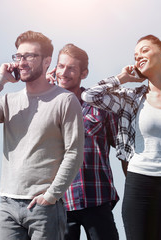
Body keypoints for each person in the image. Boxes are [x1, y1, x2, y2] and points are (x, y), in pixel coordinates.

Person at [82, 35, 161, 240]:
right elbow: (90, 96)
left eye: (145, 50)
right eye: (135, 54)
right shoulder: (131, 97)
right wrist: (122, 78)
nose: (138, 56)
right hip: (140, 185)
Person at [0, 31, 84, 240]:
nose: (22, 62)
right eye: (18, 56)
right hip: (8, 205)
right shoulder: (10, 101)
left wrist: (52, 195)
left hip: (44, 207)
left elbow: (74, 152)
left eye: (30, 56)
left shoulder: (64, 101)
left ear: (47, 61)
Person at [47, 43, 120, 240]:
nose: (64, 72)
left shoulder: (99, 105)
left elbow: (122, 149)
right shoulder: (46, 106)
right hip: (59, 202)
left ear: (84, 73)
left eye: (71, 68)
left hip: (96, 197)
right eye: (61, 66)